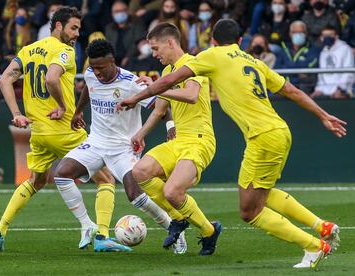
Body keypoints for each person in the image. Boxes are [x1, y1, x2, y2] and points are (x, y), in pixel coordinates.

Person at [118, 19, 345, 268]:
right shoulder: (253, 61)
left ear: (213, 41)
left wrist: (137, 96)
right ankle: (322, 227)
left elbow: (169, 85)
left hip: (261, 137)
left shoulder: (211, 56)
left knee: (250, 212)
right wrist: (323, 115)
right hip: (279, 131)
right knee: (262, 195)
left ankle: (314, 246)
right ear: (239, 41)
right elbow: (293, 92)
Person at [0, 6, 116, 252]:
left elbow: (5, 79)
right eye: (73, 28)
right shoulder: (65, 51)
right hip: (64, 130)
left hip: (39, 133)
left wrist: (17, 114)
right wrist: (62, 105)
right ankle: (100, 234)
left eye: (79, 28)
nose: (77, 33)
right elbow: (51, 79)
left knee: (36, 181)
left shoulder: (28, 50)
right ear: (58, 26)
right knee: (106, 179)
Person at [53, 38, 187, 254]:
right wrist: (78, 111)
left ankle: (174, 227)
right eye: (93, 67)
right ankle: (87, 225)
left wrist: (170, 125)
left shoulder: (130, 82)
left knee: (135, 196)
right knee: (62, 173)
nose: (96, 72)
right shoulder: (90, 73)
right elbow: (88, 87)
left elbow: (160, 104)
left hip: (123, 147)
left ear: (112, 61)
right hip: (96, 142)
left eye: (100, 68)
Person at [129, 22, 222, 256]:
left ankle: (208, 231)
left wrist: (157, 88)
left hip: (200, 140)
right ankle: (182, 219)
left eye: (156, 48)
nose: (154, 54)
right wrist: (141, 134)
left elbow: (191, 95)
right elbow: (160, 110)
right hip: (179, 141)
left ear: (170, 42)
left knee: (172, 192)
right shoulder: (167, 73)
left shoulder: (194, 64)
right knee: (139, 171)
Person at [274, 20, 320, 94]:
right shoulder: (283, 49)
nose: (298, 35)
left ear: (306, 33)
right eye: (295, 32)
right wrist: (298, 72)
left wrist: (288, 69)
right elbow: (277, 68)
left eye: (301, 32)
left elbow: (309, 67)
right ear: (290, 34)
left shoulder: (313, 49)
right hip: (284, 88)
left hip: (302, 89)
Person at [311, 25, 354, 99]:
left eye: (330, 35)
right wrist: (318, 89)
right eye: (324, 35)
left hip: (342, 92)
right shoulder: (323, 52)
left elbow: (349, 72)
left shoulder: (345, 49)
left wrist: (341, 89)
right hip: (325, 92)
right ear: (321, 38)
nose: (327, 37)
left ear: (336, 36)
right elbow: (321, 74)